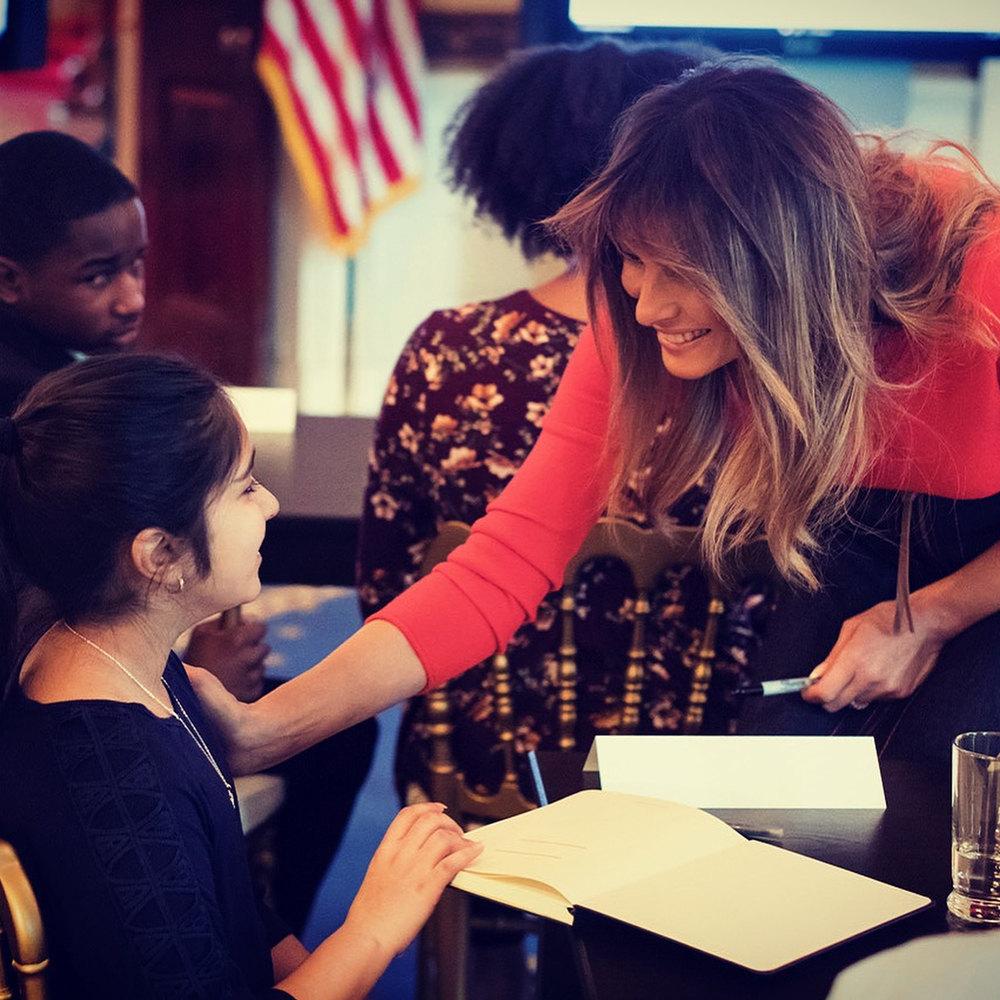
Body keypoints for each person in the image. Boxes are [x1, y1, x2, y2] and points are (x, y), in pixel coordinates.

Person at [187, 55, 1000, 776]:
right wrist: (272, 728)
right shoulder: (639, 315)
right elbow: (501, 563)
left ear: (782, 264)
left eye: (682, 271)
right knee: (790, 806)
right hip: (851, 542)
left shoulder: (984, 274)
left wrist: (931, 616)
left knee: (947, 797)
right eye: (634, 258)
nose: (645, 306)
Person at [357, 39, 769, 805]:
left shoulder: (445, 350)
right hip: (699, 760)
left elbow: (386, 586)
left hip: (478, 764)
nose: (648, 308)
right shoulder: (744, 365)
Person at [0, 353, 482, 998]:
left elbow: (225, 907)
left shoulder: (120, 657)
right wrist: (372, 930)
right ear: (160, 554)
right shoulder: (116, 780)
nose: (272, 504)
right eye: (246, 487)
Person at [0, 129, 377, 933]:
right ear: (9, 280)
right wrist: (175, 665)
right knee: (335, 745)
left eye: (137, 265)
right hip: (57, 718)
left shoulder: (54, 380)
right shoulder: (33, 422)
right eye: (98, 275)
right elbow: (49, 605)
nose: (132, 297)